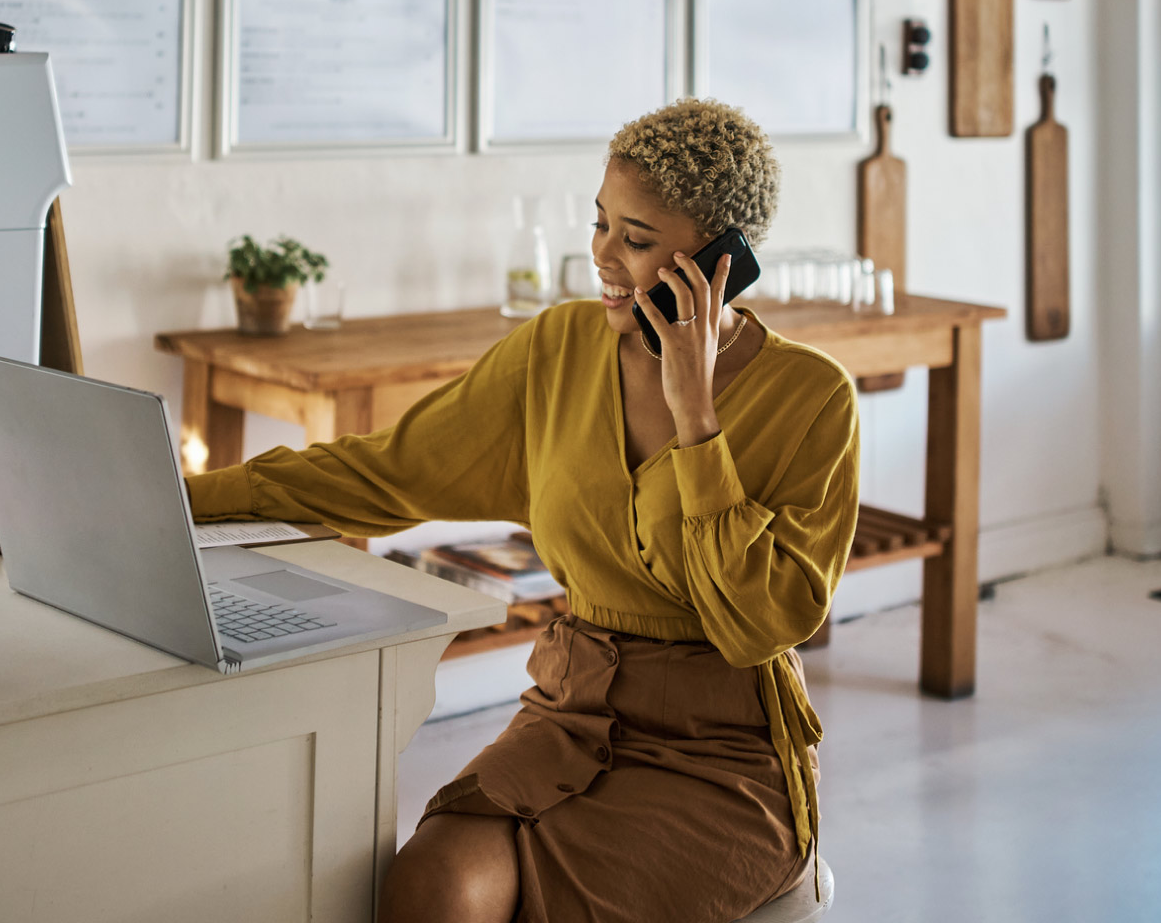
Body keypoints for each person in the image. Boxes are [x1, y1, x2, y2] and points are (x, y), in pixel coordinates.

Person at [185, 98, 859, 923]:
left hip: (722, 751)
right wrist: (176, 497)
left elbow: (761, 623)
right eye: (600, 222)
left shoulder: (814, 398)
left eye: (637, 240)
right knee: (430, 885)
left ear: (722, 258)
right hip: (572, 713)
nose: (602, 255)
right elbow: (382, 472)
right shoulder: (558, 350)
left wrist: (697, 423)